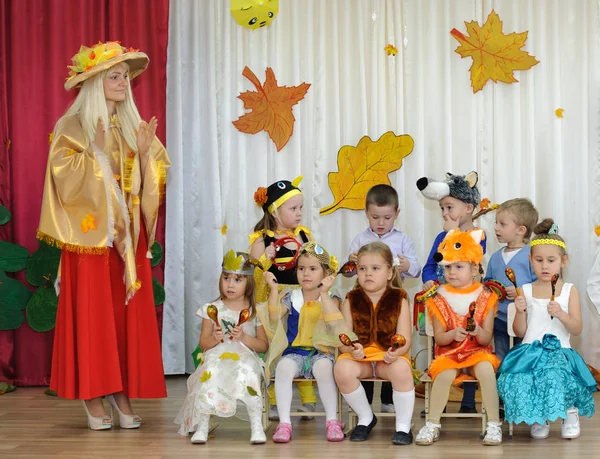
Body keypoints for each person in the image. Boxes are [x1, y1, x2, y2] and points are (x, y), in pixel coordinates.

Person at [37, 41, 170, 430]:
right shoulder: (73, 125)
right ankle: (94, 393)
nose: (122, 83)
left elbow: (157, 176)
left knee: (123, 316)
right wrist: (95, 156)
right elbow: (62, 176)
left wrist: (146, 156)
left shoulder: (132, 124)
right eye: (114, 76)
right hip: (92, 239)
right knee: (95, 316)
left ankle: (120, 390)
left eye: (125, 77)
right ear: (95, 81)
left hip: (127, 241)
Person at [497, 219, 596, 440]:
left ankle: (569, 413)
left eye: (551, 260)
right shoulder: (525, 290)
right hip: (530, 350)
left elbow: (577, 328)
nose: (544, 266)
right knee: (517, 378)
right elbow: (521, 332)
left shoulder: (569, 291)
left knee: (554, 374)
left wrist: (561, 314)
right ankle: (538, 415)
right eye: (539, 260)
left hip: (559, 350)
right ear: (530, 260)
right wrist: (521, 311)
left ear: (563, 261)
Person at [414, 229, 502, 446]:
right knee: (443, 375)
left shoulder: (486, 296)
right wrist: (452, 334)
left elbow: (486, 338)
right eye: (447, 267)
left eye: (458, 266)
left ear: (474, 268)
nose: (452, 272)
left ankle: (493, 423)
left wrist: (478, 332)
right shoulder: (438, 297)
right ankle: (432, 423)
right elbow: (441, 339)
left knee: (486, 371)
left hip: (477, 351)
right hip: (449, 352)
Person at [175, 250, 269, 444]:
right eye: (227, 278)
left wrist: (244, 337)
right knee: (209, 371)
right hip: (217, 355)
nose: (230, 284)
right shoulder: (212, 309)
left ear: (249, 283)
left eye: (238, 280)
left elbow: (263, 346)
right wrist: (216, 338)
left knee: (247, 373)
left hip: (245, 356)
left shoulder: (255, 311)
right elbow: (204, 343)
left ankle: (256, 426)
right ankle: (202, 426)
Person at [260, 242, 346, 442]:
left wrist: (323, 294)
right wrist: (273, 290)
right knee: (283, 369)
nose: (306, 274)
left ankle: (332, 421)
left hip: (321, 352)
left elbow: (334, 323)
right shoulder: (291, 297)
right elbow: (273, 318)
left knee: (325, 369)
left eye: (313, 269)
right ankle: (284, 423)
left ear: (326, 274)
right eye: (301, 269)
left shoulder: (332, 298)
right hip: (294, 352)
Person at [347, 184, 421, 413]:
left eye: (387, 217)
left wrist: (406, 264)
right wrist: (351, 263)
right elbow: (348, 271)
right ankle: (366, 400)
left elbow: (416, 269)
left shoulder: (403, 239)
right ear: (366, 213)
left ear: (397, 214)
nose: (381, 223)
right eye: (375, 217)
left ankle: (389, 398)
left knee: (392, 345)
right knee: (365, 343)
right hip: (365, 302)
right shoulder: (360, 239)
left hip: (392, 301)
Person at [417, 171, 485, 413]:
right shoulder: (440, 237)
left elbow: (465, 258)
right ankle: (440, 403)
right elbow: (428, 267)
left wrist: (452, 234)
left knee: (469, 348)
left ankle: (468, 402)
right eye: (442, 209)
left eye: (449, 208)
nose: (445, 214)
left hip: (468, 305)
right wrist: (428, 282)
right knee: (442, 351)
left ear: (468, 207)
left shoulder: (478, 237)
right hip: (442, 305)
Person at [334, 242, 415, 445]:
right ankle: (365, 417)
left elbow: (405, 338)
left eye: (375, 268)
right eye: (362, 269)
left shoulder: (400, 299)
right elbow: (343, 339)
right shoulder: (350, 299)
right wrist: (352, 349)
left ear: (389, 272)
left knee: (402, 371)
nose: (367, 274)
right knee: (342, 369)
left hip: (388, 358)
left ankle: (403, 427)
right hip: (360, 358)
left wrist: (396, 353)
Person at [249, 177, 316, 419]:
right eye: (293, 208)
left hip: (301, 302)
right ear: (275, 211)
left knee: (303, 346)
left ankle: (308, 400)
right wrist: (265, 259)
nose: (299, 213)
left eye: (301, 208)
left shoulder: (303, 236)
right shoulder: (261, 239)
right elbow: (254, 278)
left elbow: (314, 265)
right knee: (276, 351)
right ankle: (275, 401)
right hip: (274, 303)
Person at [484, 198, 538, 359]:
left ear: (521, 230)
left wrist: (521, 292)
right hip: (499, 320)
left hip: (526, 320)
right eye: (496, 223)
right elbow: (487, 283)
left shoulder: (532, 256)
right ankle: (502, 382)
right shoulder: (495, 257)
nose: (496, 228)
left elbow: (540, 285)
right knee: (502, 357)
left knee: (524, 357)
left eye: (502, 224)